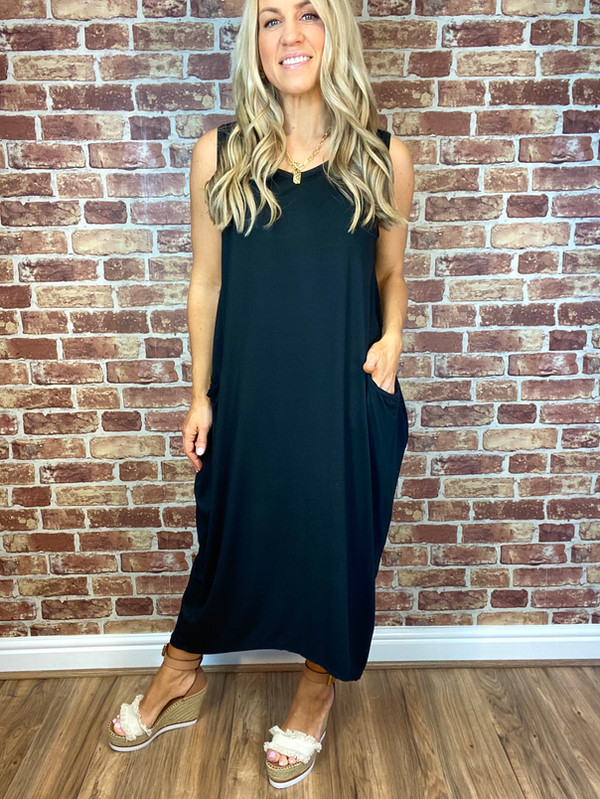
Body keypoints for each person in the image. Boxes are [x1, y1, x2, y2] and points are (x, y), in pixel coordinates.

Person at [107, 0, 414, 787]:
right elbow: (206, 282)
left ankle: (317, 689)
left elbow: (389, 272)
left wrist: (393, 337)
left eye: (310, 13)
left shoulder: (384, 157)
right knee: (230, 532)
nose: (292, 34)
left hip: (344, 390)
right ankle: (182, 668)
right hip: (251, 389)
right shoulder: (220, 153)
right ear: (256, 42)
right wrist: (199, 393)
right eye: (272, 18)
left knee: (335, 543)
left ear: (334, 32)